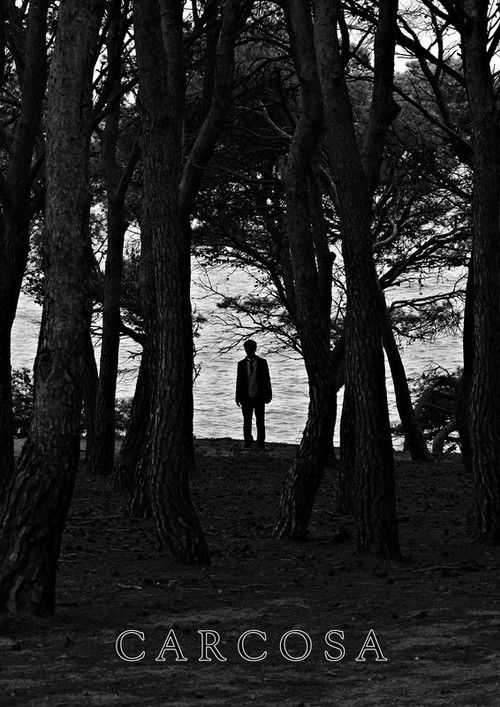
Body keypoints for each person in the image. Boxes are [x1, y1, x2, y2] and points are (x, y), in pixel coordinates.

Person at [235, 339, 272, 449]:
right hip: (246, 397)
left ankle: (260, 442)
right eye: (247, 349)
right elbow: (239, 381)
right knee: (247, 421)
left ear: (255, 349)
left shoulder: (262, 362)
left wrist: (268, 395)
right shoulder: (241, 364)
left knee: (260, 421)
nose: (249, 351)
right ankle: (248, 441)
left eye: (251, 349)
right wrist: (238, 397)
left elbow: (267, 380)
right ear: (245, 349)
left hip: (259, 397)